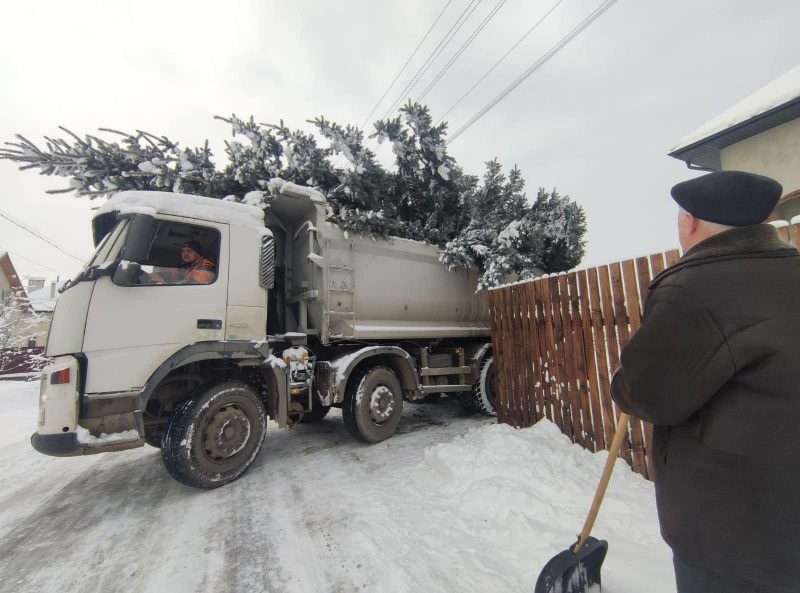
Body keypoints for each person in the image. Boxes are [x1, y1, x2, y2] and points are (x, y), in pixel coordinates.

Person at [610, 170, 800, 593]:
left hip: (737, 534)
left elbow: (647, 394)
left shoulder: (696, 288)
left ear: (691, 221)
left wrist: (624, 379)